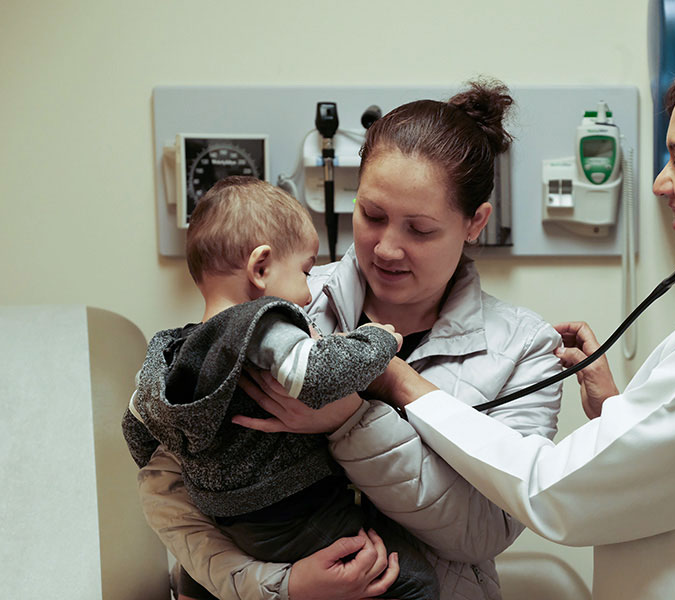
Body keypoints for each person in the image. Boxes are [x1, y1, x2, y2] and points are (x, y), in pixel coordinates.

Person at [316, 53, 675, 599]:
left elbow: (550, 492)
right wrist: (619, 414)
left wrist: (399, 384)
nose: (660, 183)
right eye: (372, 214)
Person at [135, 80, 565, 600]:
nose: (386, 248)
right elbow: (169, 487)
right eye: (372, 215)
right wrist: (279, 587)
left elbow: (482, 531)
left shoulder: (524, 351)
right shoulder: (280, 304)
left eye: (420, 229)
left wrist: (350, 419)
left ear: (475, 222)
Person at [122, 176, 439, 600]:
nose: (308, 293)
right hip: (294, 515)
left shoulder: (175, 350)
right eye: (305, 271)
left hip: (230, 521)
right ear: (261, 268)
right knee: (416, 583)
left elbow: (136, 425)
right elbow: (316, 373)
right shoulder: (261, 324)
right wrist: (378, 340)